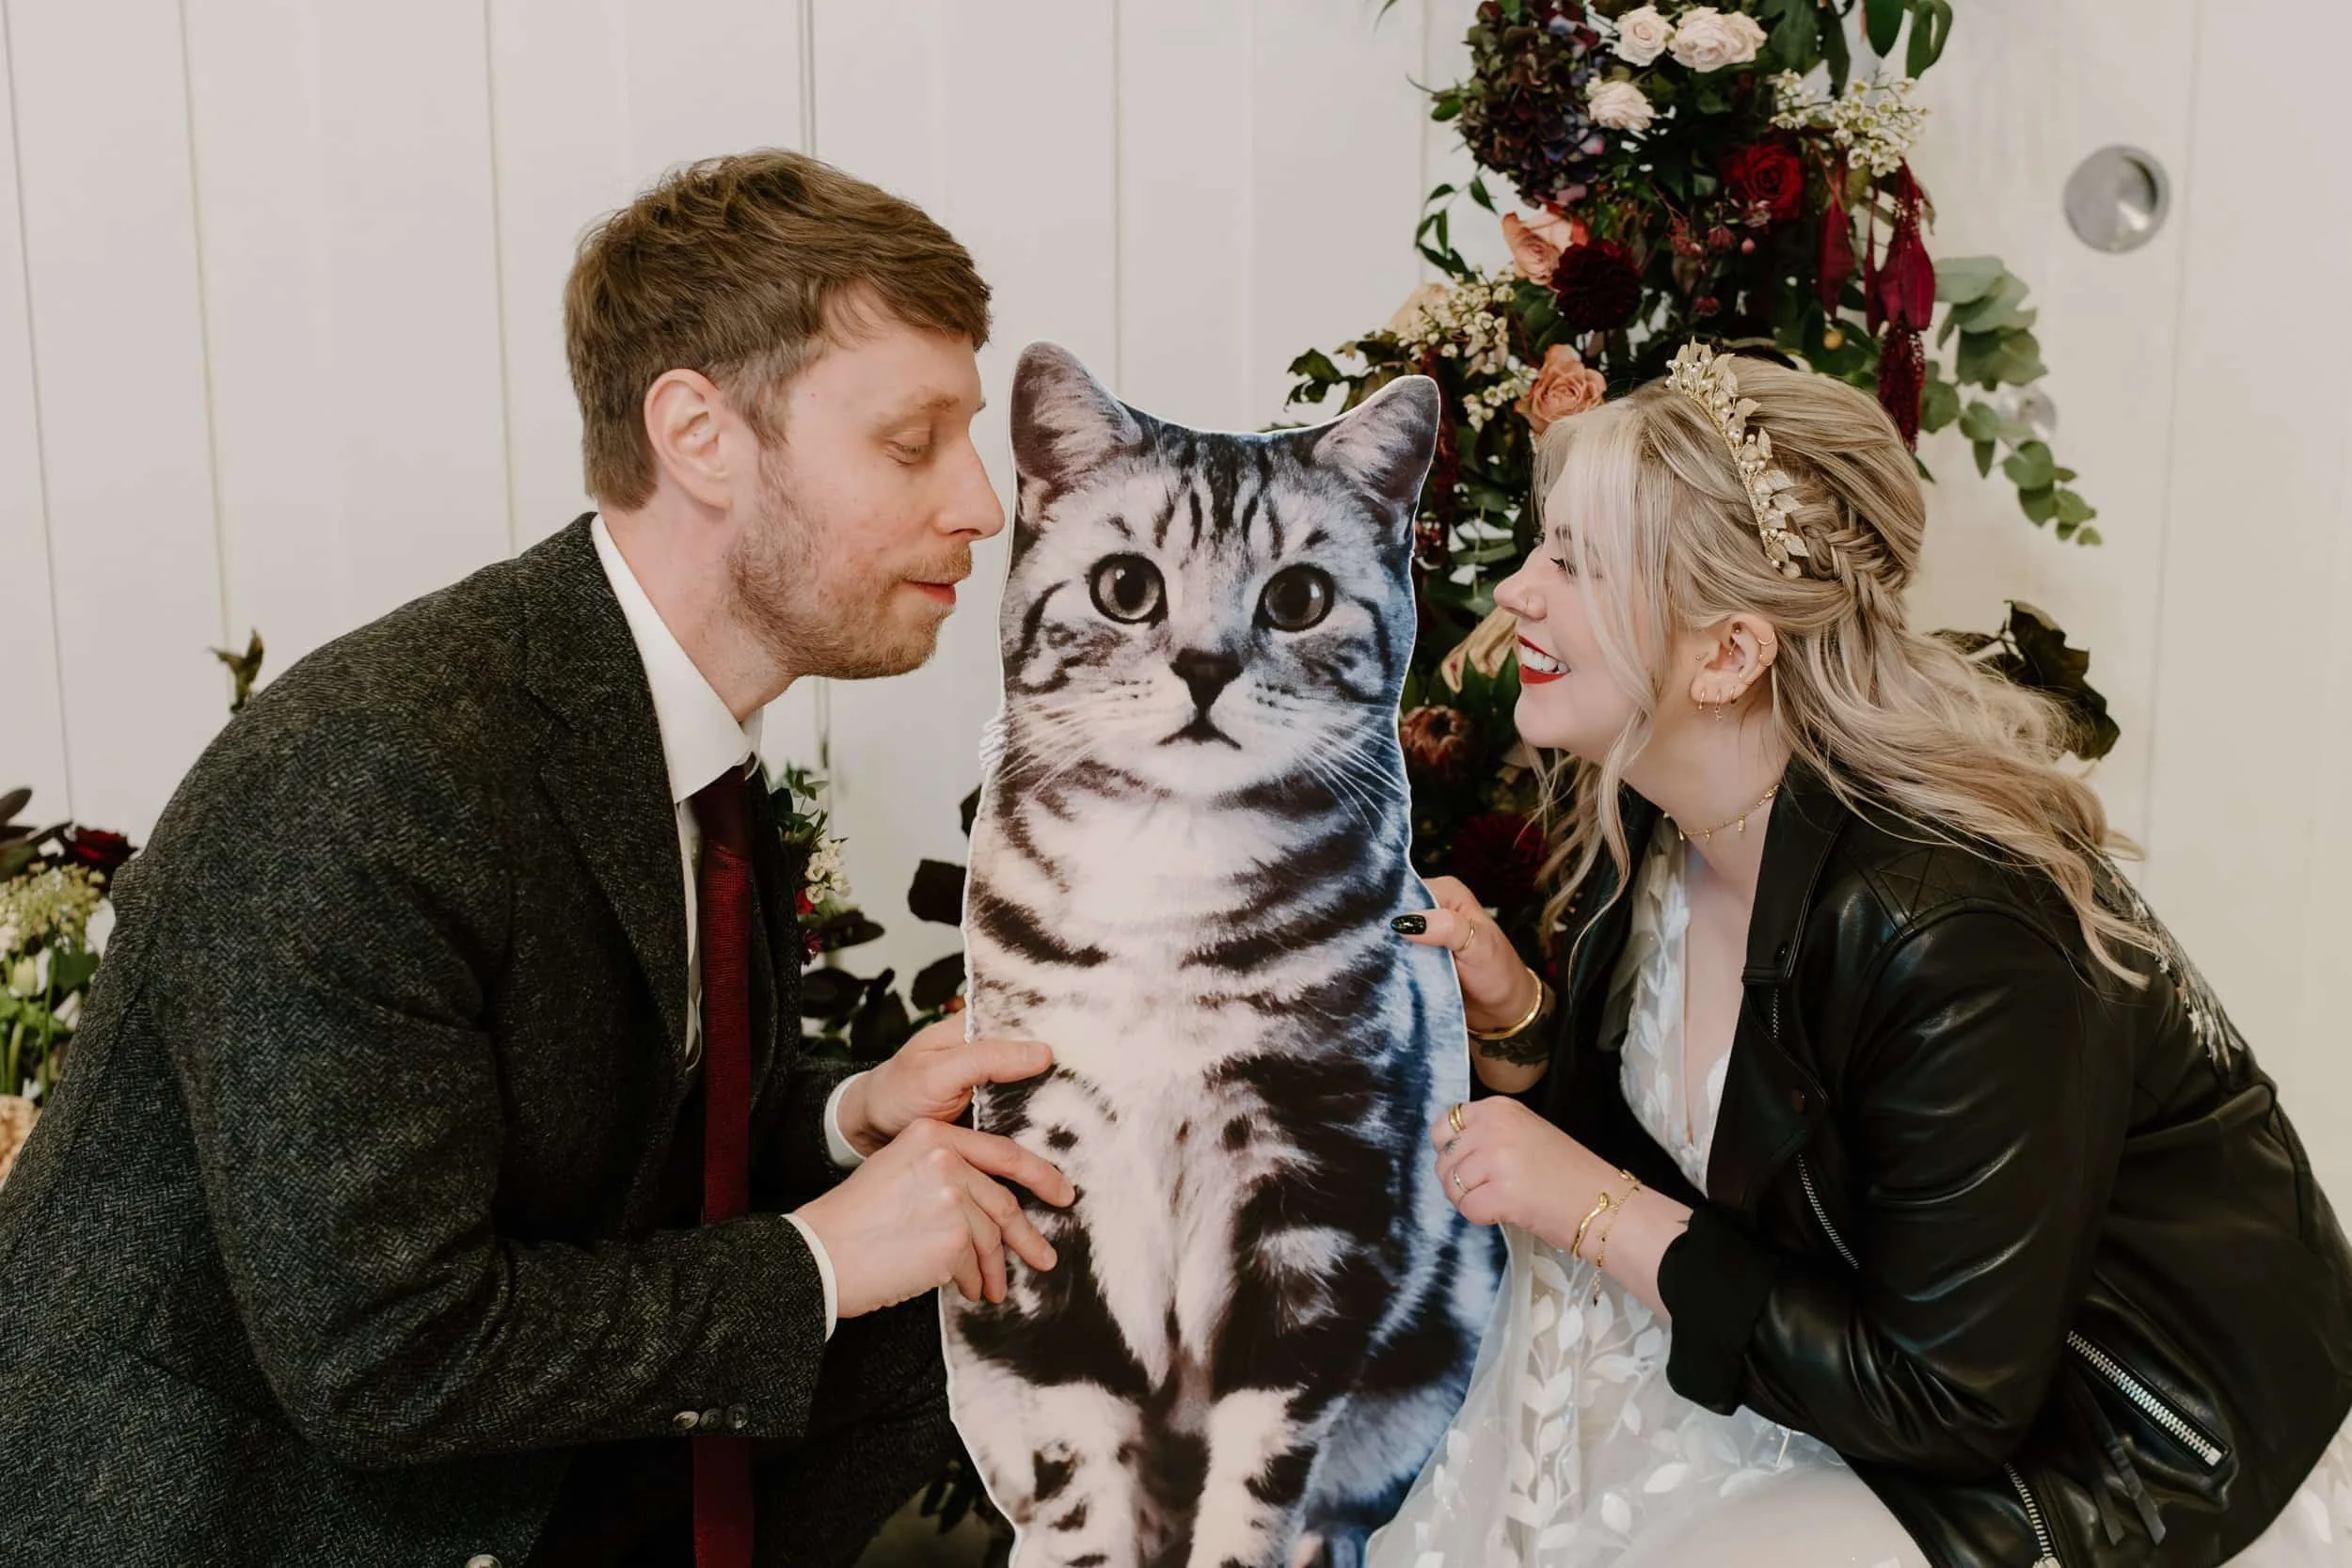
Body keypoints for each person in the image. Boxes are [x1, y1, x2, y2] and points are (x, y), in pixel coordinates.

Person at [0, 150, 1074, 1568]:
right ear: (699, 433)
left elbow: (590, 1127)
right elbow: (388, 1352)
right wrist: (825, 1254)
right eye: (910, 442)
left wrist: (846, 1117)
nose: (984, 506)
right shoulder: (373, 773)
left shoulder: (667, 736)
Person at [1376, 344, 2352, 1567]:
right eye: (1541, 547)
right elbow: (1703, 1151)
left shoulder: (1956, 930)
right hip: (1871, 1347)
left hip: (2115, 1428)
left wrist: (1589, 1206)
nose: (1519, 592)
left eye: (1575, 565)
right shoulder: (1665, 811)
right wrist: (1520, 1016)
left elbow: (1950, 1397)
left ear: (1729, 653)